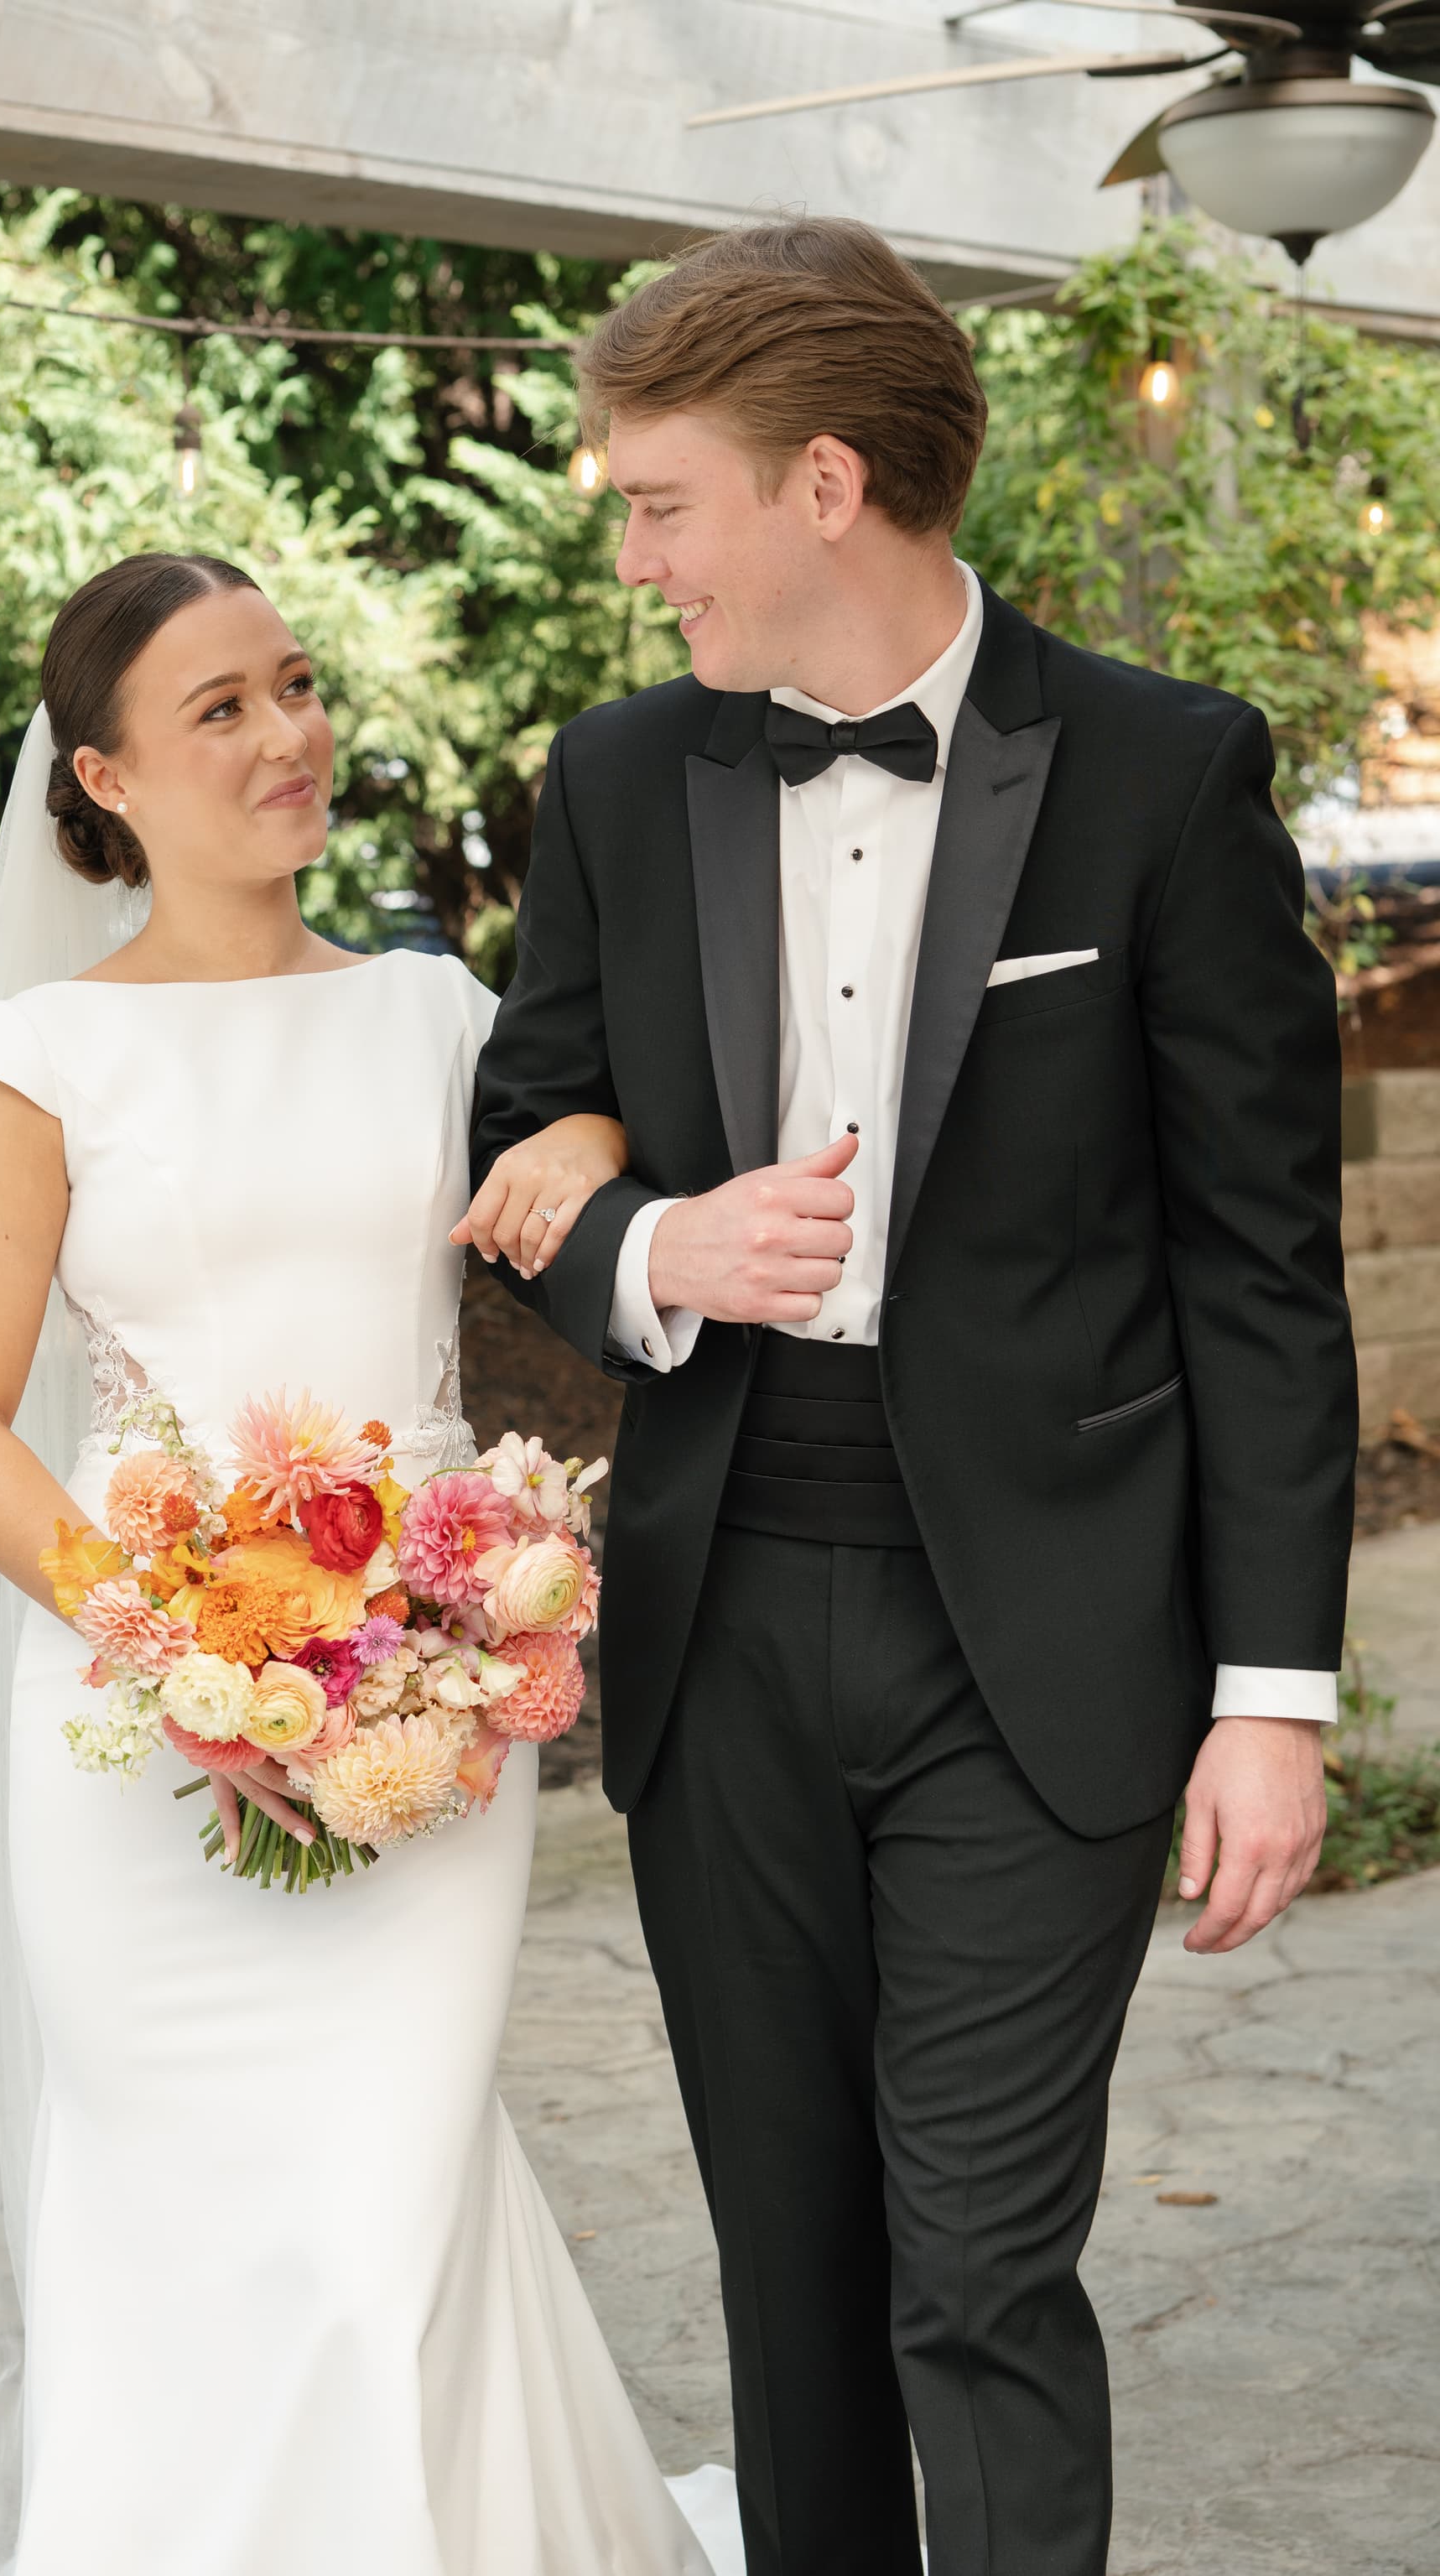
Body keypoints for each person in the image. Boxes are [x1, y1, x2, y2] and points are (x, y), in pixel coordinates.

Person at [465, 218, 1356, 2576]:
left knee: (973, 2268)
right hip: (724, 1606)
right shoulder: (621, 775)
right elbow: (526, 1142)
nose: (632, 551)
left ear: (825, 482)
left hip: (1042, 1641)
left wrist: (1273, 1694)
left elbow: (1262, 1265)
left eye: (660, 501)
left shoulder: (1163, 778)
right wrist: (666, 1247)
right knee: (799, 2280)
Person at [0, 552, 730, 2576]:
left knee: (381, 2210)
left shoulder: (439, 1013)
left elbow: (578, 1167)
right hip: (143, 1740)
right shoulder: (34, 1058)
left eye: (297, 685)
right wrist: (177, 1651)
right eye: (219, 710)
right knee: (184, 2225)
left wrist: (583, 1155)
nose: (286, 735)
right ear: (107, 778)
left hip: (424, 1708)